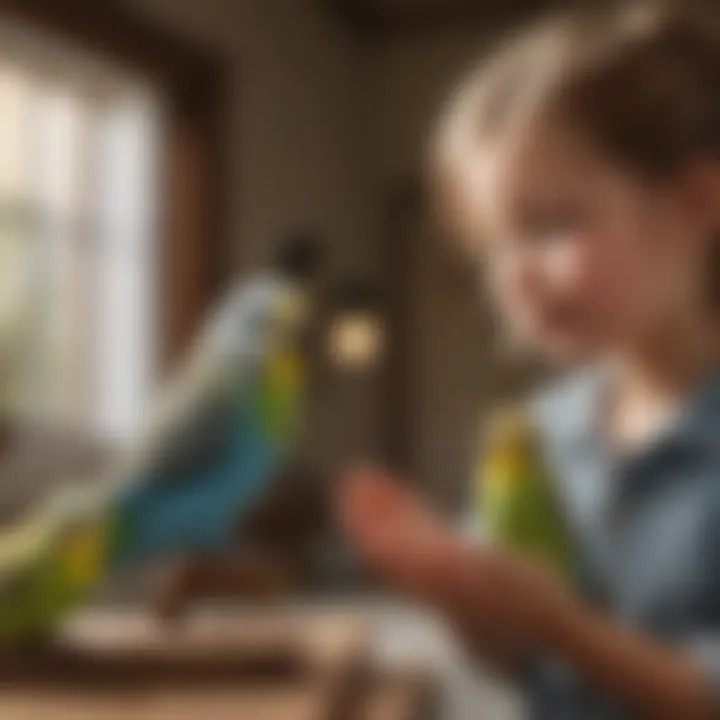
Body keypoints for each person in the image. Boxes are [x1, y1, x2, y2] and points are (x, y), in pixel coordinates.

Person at [339, 3, 720, 718]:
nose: (511, 278)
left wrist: (563, 627)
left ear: (698, 202)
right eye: (492, 248)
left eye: (550, 226)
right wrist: (457, 594)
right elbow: (513, 657)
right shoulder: (534, 437)